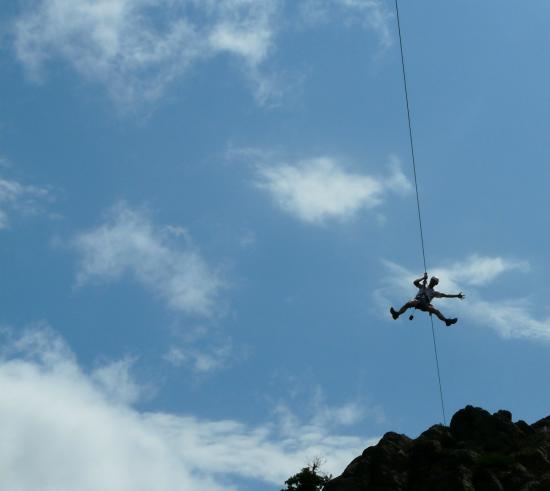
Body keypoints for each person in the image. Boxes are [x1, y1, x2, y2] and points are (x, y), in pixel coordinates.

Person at [390, 272, 465, 326]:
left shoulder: (434, 293)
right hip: (418, 301)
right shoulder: (423, 286)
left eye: (434, 282)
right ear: (430, 280)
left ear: (436, 284)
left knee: (436, 311)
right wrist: (423, 278)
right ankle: (397, 314)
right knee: (409, 303)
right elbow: (415, 282)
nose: (432, 282)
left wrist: (457, 296)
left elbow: (445, 295)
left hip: (425, 305)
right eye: (432, 280)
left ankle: (446, 321)